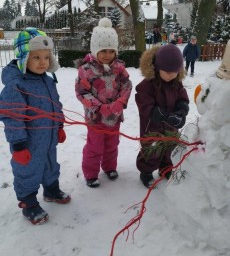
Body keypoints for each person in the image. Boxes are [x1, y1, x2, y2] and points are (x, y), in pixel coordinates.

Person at [0, 28, 71, 225]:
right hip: (28, 142)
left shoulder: (48, 81)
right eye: (36, 57)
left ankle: (51, 189)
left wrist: (59, 125)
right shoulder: (16, 85)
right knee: (28, 171)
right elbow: (12, 116)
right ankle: (29, 202)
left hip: (48, 139)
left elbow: (55, 104)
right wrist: (18, 145)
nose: (43, 62)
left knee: (50, 165)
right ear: (23, 58)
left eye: (46, 57)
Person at [75, 18, 132, 188]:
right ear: (95, 50)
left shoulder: (119, 68)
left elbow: (127, 85)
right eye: (103, 51)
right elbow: (81, 92)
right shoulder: (86, 70)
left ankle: (109, 167)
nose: (108, 55)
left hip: (114, 116)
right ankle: (91, 173)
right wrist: (99, 106)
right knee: (95, 146)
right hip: (95, 118)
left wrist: (120, 102)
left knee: (112, 144)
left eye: (111, 51)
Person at [135, 44, 189, 188]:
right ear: (158, 68)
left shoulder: (176, 84)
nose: (171, 75)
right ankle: (146, 172)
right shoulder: (147, 85)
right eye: (167, 71)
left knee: (169, 147)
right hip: (152, 127)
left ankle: (165, 168)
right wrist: (160, 114)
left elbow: (183, 99)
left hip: (170, 127)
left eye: (175, 72)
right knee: (152, 150)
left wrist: (181, 112)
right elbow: (144, 104)